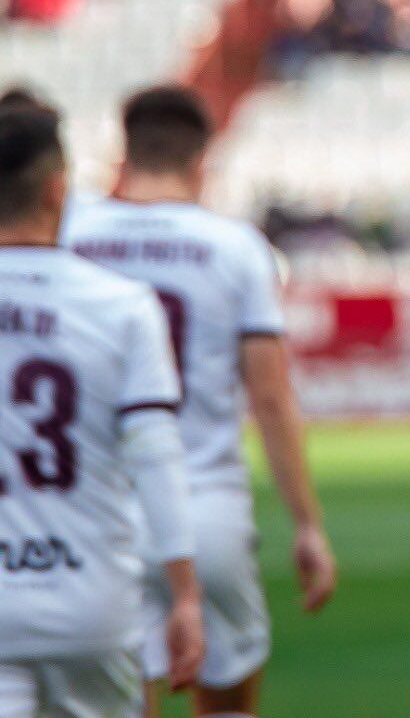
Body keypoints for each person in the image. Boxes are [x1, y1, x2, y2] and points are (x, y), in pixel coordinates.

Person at [61, 86, 336, 718]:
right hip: (203, 506)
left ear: (121, 154)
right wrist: (307, 525)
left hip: (95, 513)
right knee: (228, 701)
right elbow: (270, 398)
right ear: (201, 161)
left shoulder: (71, 231)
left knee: (120, 699)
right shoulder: (236, 247)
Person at [0, 98, 204, 717]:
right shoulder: (121, 304)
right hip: (91, 598)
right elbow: (156, 453)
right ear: (58, 186)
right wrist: (185, 593)